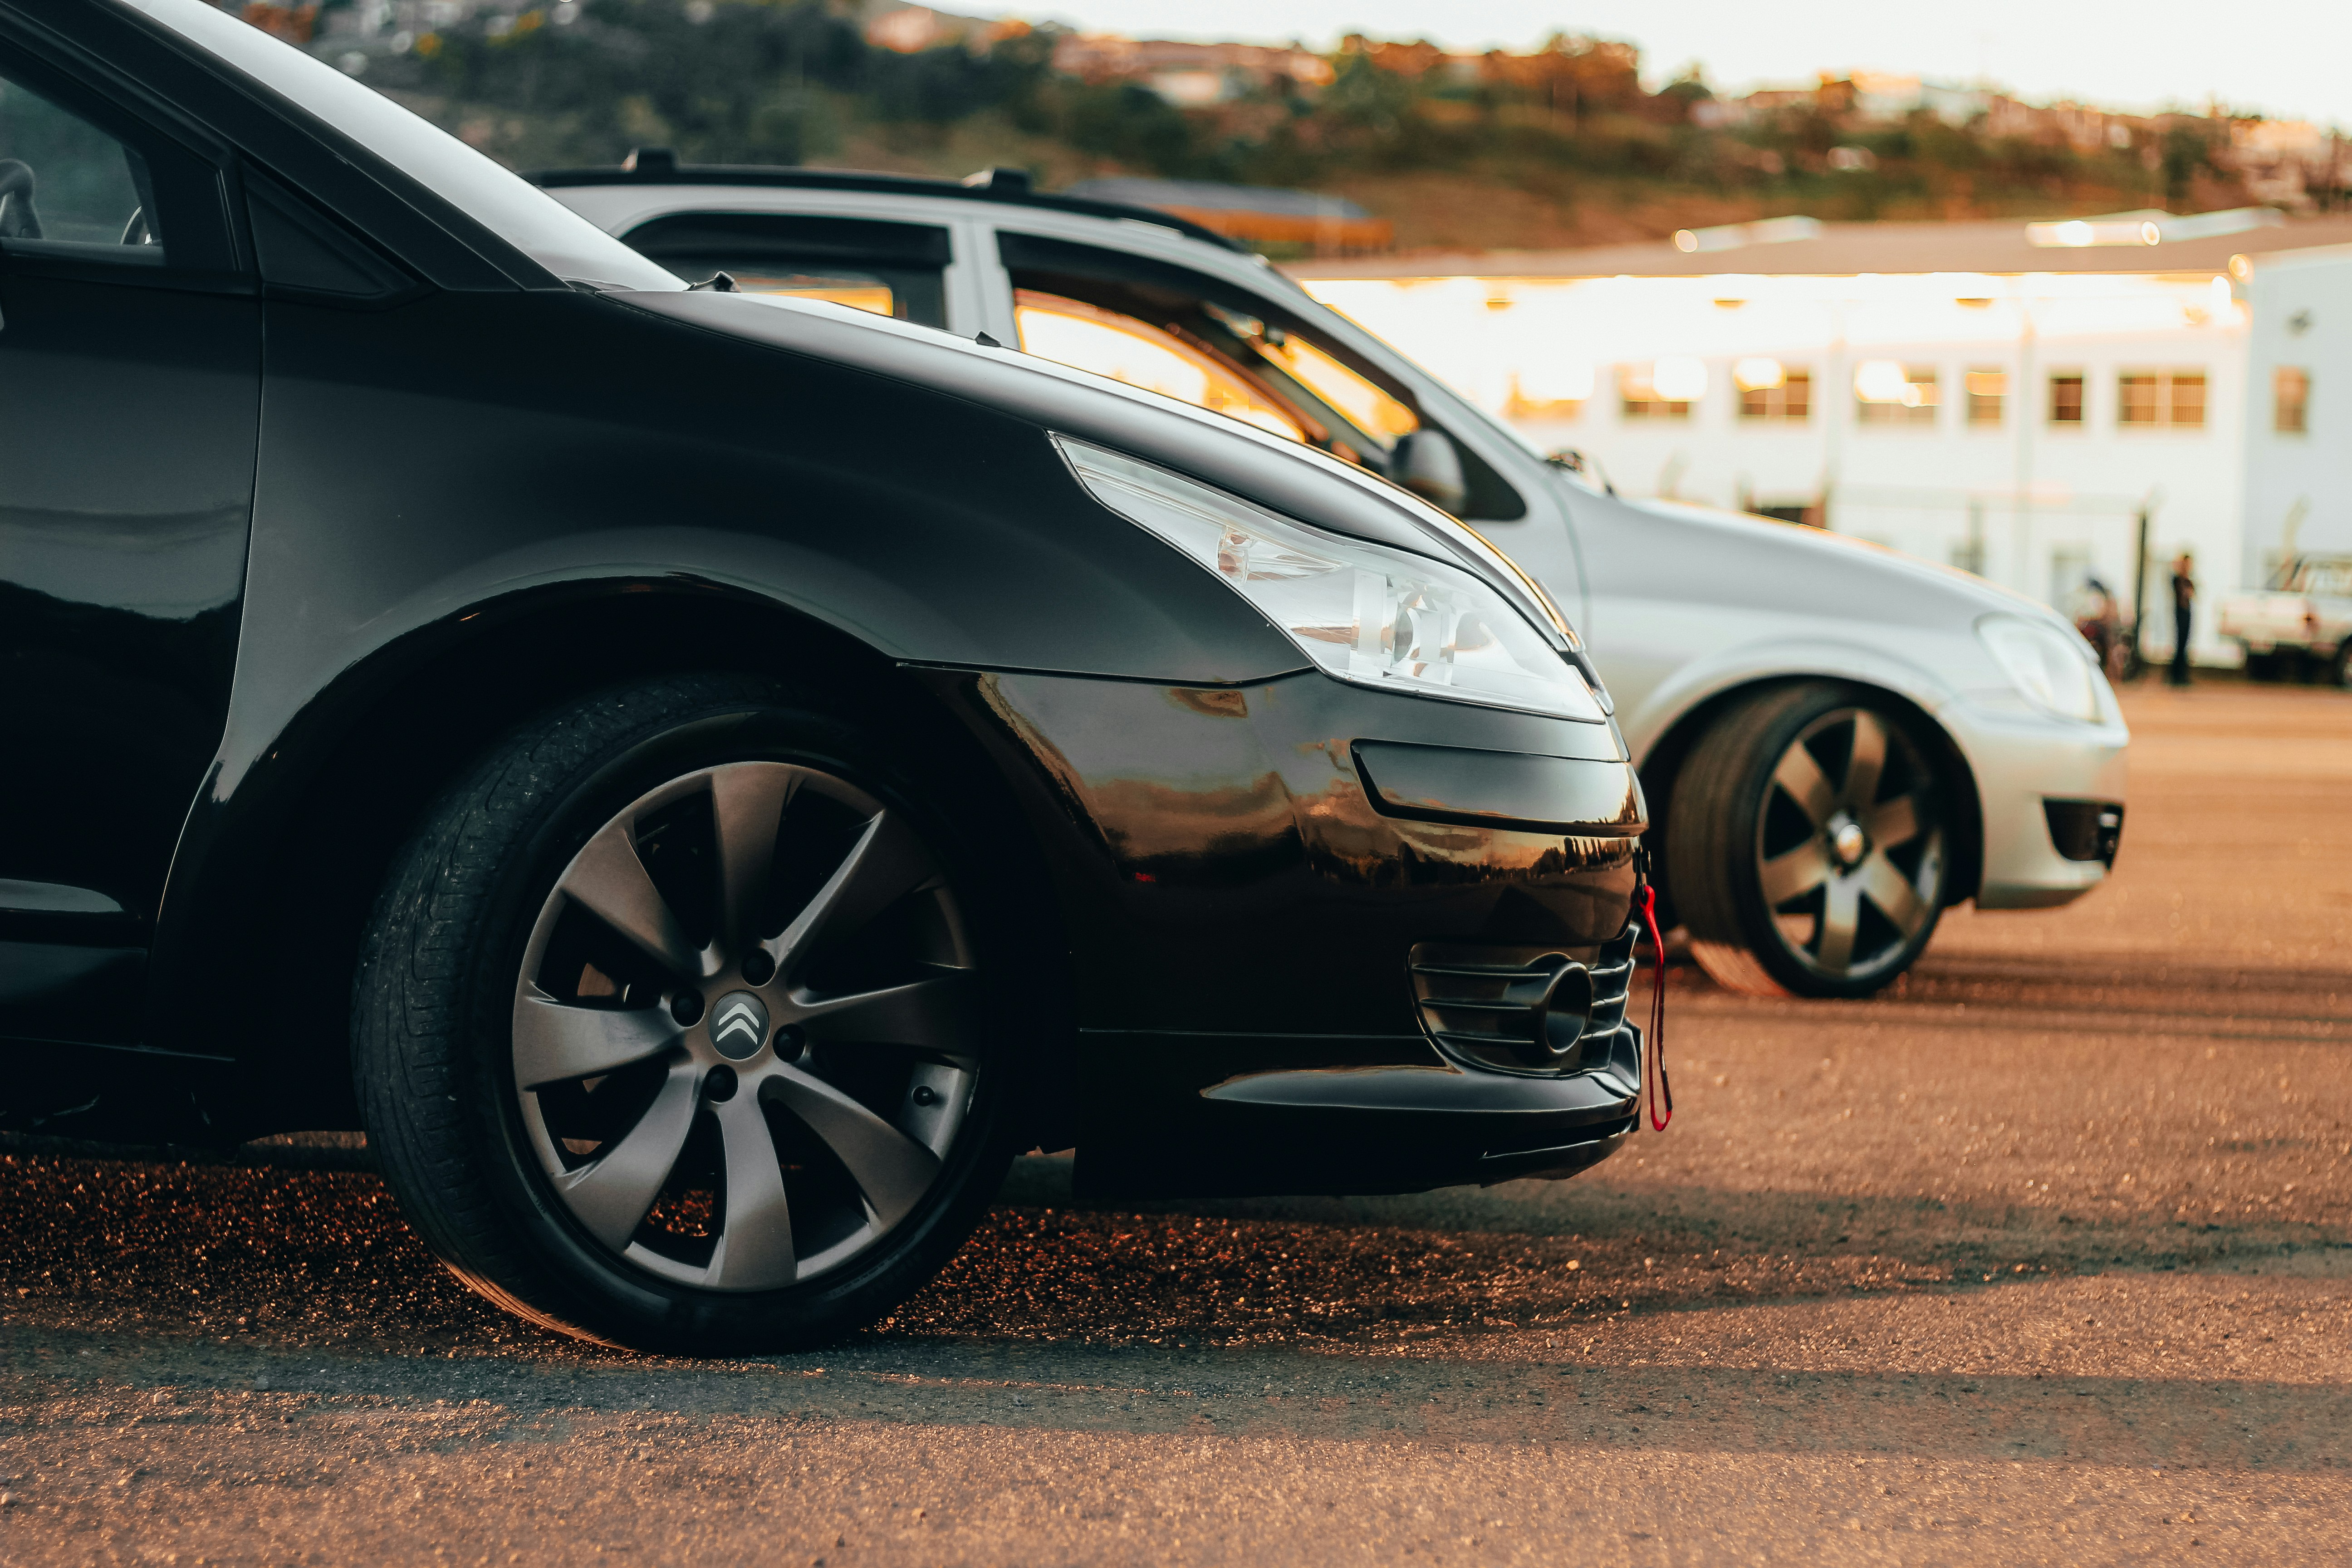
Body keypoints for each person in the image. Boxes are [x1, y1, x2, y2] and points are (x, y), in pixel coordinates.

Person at [2168, 551, 2196, 687]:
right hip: (2181, 613)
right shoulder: (2178, 579)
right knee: (2180, 644)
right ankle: (2176, 675)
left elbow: (2193, 594)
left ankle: (2181, 674)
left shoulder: (2187, 579)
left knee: (2184, 644)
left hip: (2186, 613)